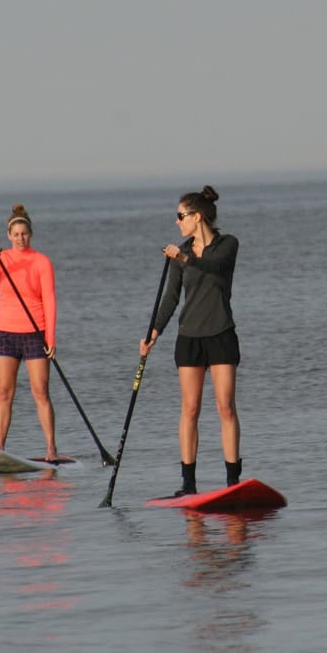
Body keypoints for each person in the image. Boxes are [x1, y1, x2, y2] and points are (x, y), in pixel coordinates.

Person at [140, 185, 241, 494]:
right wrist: (153, 332)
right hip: (190, 339)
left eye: (180, 216)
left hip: (221, 334)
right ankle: (188, 484)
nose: (177, 221)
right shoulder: (179, 255)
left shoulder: (227, 245)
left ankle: (232, 481)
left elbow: (214, 267)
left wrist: (184, 258)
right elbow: (170, 300)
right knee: (190, 409)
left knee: (225, 408)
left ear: (197, 217)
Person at [0, 203, 59, 461]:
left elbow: (50, 301)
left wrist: (50, 339)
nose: (20, 238)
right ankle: (0, 448)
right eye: (16, 234)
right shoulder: (1, 259)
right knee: (4, 393)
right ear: (9, 235)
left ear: (30, 234)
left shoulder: (41, 261)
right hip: (5, 334)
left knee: (41, 392)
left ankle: (51, 448)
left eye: (25, 234)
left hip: (35, 334)